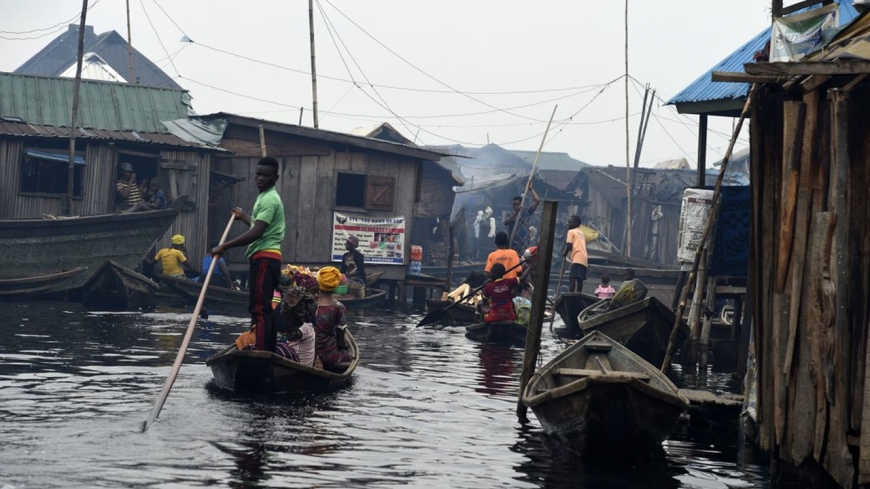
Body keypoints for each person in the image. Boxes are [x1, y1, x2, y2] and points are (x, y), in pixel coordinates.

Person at [212, 156, 286, 352]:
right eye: (258, 175)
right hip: (266, 257)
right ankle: (268, 350)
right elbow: (257, 224)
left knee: (259, 309)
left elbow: (257, 232)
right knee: (264, 308)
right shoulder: (264, 197)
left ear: (275, 178)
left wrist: (224, 246)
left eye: (266, 176)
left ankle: (261, 353)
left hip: (264, 257)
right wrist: (242, 215)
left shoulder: (269, 199)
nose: (260, 179)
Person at [313, 266, 354, 369]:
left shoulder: (310, 303)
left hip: (309, 351)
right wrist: (343, 349)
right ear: (335, 285)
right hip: (328, 356)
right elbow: (340, 337)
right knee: (350, 356)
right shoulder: (338, 307)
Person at [504, 182, 541, 255]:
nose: (515, 206)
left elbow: (537, 200)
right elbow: (506, 223)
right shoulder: (510, 214)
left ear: (521, 204)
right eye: (514, 205)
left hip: (525, 244)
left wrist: (531, 189)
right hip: (513, 244)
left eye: (517, 204)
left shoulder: (526, 212)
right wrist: (515, 213)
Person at [564, 215, 588, 293]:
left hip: (577, 257)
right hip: (584, 258)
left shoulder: (571, 232)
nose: (568, 224)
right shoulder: (581, 233)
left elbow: (569, 245)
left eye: (570, 222)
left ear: (576, 223)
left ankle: (571, 295)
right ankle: (578, 294)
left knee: (572, 277)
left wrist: (565, 253)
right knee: (580, 279)